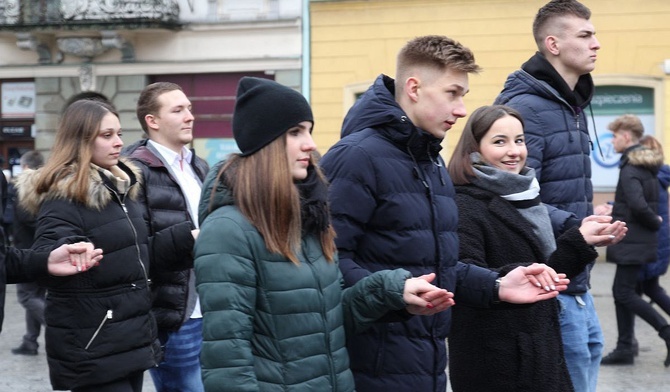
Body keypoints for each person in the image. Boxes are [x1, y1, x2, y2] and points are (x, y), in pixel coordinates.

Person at [318, 35, 572, 392]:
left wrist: (497, 285)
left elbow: (438, 266)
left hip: (426, 362)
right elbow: (324, 264)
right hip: (371, 365)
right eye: (453, 93)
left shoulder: (430, 160)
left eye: (463, 96)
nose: (462, 110)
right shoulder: (356, 157)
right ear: (414, 88)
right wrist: (394, 292)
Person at [194, 76, 464, 391]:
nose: (309, 144)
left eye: (309, 130)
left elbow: (331, 320)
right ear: (263, 143)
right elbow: (227, 362)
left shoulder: (308, 218)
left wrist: (390, 293)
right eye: (295, 132)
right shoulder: (228, 230)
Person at [16, 99, 196, 391]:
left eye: (119, 134)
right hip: (94, 347)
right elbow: (46, 259)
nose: (118, 143)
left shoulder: (120, 191)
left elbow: (136, 256)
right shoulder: (63, 196)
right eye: (106, 135)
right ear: (80, 141)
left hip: (128, 340)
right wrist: (68, 249)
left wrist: (187, 238)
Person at [446, 105, 626, 391]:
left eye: (519, 140)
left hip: (537, 348)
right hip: (496, 359)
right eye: (499, 141)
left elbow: (541, 277)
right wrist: (502, 280)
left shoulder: (524, 196)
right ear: (474, 150)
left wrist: (581, 241)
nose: (514, 151)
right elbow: (462, 276)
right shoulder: (465, 204)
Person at [493, 0, 604, 389]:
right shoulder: (526, 108)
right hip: (547, 278)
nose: (597, 44)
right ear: (553, 44)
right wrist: (576, 225)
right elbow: (510, 192)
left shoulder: (569, 106)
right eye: (585, 35)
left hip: (577, 277)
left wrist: (591, 219)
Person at [128, 82, 208, 392]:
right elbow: (134, 253)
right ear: (153, 121)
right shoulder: (134, 171)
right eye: (178, 110)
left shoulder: (198, 166)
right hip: (173, 317)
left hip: (210, 308)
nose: (189, 116)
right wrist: (192, 237)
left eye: (189, 108)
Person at [600, 114, 670, 366]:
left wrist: (654, 221)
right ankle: (625, 347)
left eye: (615, 136)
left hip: (632, 241)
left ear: (626, 136)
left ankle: (665, 332)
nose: (613, 142)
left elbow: (639, 205)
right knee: (629, 291)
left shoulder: (630, 167)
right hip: (642, 241)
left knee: (623, 292)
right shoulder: (647, 165)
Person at [10, 150, 46, 356]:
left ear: (25, 167)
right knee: (36, 295)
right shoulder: (46, 183)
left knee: (26, 296)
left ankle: (57, 324)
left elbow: (28, 218)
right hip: (40, 249)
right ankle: (30, 341)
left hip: (28, 250)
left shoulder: (26, 186)